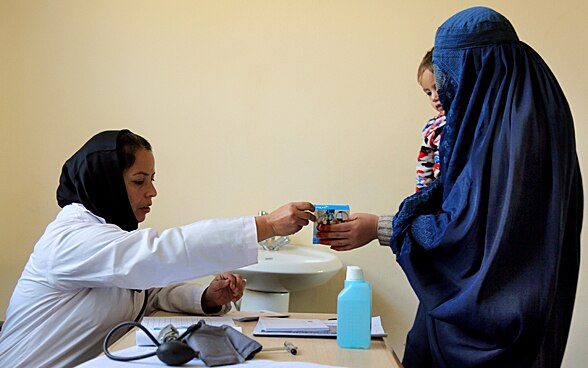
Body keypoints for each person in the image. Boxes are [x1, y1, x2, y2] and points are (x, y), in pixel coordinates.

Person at [316, 6, 582, 367]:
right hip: (524, 317)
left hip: (487, 329)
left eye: (449, 77)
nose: (445, 91)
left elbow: (465, 234)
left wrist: (383, 226)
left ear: (474, 70)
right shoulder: (527, 107)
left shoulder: (509, 136)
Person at [0, 129, 316, 367]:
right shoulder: (69, 240)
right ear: (105, 183)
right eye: (139, 181)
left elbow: (146, 292)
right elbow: (158, 254)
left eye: (152, 179)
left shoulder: (109, 235)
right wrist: (266, 226)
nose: (152, 192)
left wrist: (206, 297)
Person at [416, 47, 446, 191]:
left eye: (438, 88)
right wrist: (421, 196)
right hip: (439, 191)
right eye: (428, 92)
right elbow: (424, 164)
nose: (434, 97)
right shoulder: (433, 128)